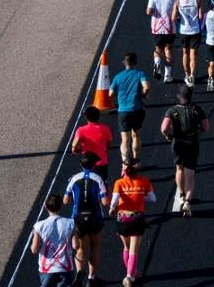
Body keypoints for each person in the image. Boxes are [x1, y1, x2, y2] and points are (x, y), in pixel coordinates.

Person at [161, 84, 210, 216]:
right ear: (190, 96)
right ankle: (188, 201)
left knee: (179, 168)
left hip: (178, 143)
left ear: (179, 96)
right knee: (190, 172)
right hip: (192, 142)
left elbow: (164, 128)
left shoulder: (172, 111)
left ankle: (181, 193)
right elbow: (206, 127)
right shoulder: (197, 109)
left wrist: (169, 135)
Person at [62, 154, 108, 286]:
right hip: (96, 218)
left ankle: (79, 274)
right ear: (94, 166)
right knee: (95, 247)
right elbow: (105, 202)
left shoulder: (74, 179)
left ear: (81, 165)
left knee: (81, 248)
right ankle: (91, 278)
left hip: (78, 219)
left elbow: (66, 200)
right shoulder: (98, 178)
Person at [109, 159, 156, 287]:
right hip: (137, 218)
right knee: (134, 249)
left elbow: (114, 201)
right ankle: (130, 275)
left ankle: (132, 272)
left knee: (126, 247)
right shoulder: (144, 181)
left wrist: (112, 209)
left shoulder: (119, 182)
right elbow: (153, 199)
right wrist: (140, 196)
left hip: (122, 218)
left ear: (125, 170)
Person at [29, 192, 78, 287]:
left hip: (47, 268)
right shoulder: (71, 223)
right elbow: (76, 245)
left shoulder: (39, 226)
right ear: (60, 207)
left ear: (46, 207)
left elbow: (34, 249)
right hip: (65, 268)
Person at [110, 53, 149, 165]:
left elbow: (110, 93)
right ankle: (136, 161)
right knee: (136, 135)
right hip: (137, 110)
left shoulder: (118, 77)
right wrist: (144, 94)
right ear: (135, 63)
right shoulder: (140, 74)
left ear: (124, 63)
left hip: (123, 111)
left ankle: (125, 163)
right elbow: (146, 87)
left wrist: (116, 101)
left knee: (125, 140)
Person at [146, 0, 178, 83]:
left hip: (157, 27)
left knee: (158, 49)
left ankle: (157, 67)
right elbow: (177, 12)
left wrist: (156, 12)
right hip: (170, 27)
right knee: (168, 49)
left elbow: (149, 12)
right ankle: (167, 75)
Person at [70, 107, 115, 182]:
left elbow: (74, 145)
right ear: (98, 116)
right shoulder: (105, 128)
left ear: (86, 117)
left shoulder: (81, 130)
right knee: (103, 182)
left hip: (88, 163)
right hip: (102, 161)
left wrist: (76, 149)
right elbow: (109, 142)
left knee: (89, 183)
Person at [175, 0, 203, 88]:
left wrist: (180, 18)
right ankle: (192, 75)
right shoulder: (198, 0)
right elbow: (200, 17)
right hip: (195, 30)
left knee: (185, 53)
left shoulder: (178, 2)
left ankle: (186, 75)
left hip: (183, 31)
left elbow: (173, 18)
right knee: (193, 55)